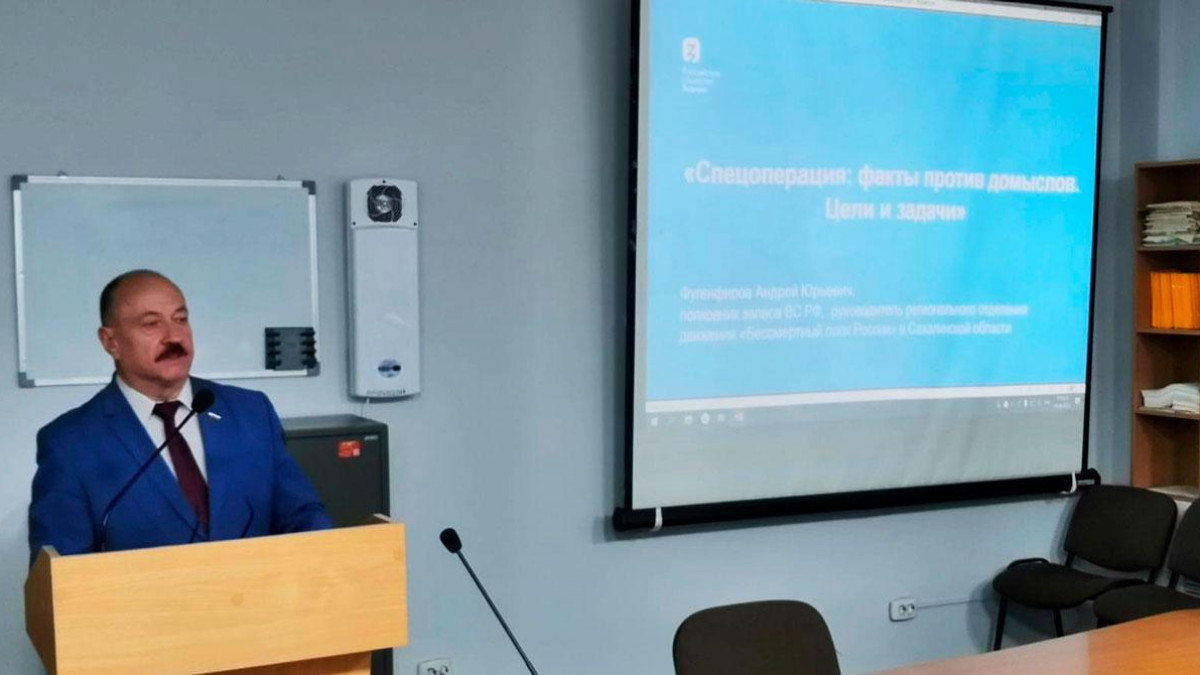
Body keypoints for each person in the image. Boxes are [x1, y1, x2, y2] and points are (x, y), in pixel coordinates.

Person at [28, 270, 330, 563]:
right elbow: (60, 571)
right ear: (111, 342)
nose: (174, 336)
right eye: (151, 324)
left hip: (260, 595)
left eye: (181, 319)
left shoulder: (250, 412)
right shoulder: (71, 443)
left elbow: (303, 515)